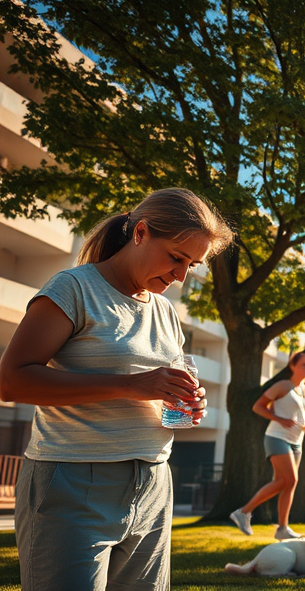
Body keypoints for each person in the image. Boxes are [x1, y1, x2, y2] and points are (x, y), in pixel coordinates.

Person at [0, 188, 232, 590]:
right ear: (140, 232)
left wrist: (185, 403)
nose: (180, 276)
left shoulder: (164, 311)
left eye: (191, 266)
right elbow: (12, 379)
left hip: (155, 484)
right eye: (176, 258)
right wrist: (130, 385)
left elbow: (155, 390)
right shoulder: (74, 288)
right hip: (72, 481)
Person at [231, 351, 305, 540]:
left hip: (297, 442)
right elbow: (258, 406)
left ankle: (282, 529)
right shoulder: (283, 386)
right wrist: (280, 418)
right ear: (292, 366)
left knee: (286, 484)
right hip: (277, 437)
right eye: (303, 364)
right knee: (291, 480)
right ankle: (244, 511)